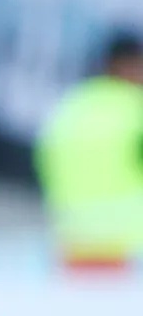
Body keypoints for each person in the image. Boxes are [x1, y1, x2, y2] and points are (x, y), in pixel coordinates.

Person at [35, 33, 143, 260]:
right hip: (131, 248)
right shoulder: (135, 109)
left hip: (74, 245)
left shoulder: (70, 106)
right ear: (126, 66)